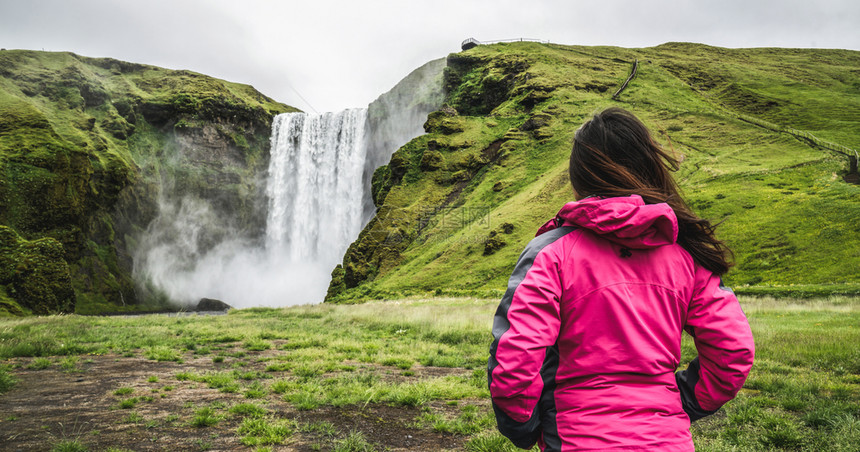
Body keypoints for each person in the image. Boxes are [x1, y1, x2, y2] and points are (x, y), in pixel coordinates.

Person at [488, 107, 755, 451]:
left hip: (575, 438)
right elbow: (733, 351)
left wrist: (523, 426)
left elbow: (515, 357)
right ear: (649, 168)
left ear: (580, 176)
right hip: (667, 439)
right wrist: (682, 402)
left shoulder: (550, 253)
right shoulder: (688, 256)